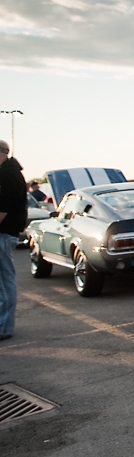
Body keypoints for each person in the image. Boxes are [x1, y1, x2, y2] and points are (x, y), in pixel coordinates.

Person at [0, 139, 28, 341]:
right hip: (5, 234)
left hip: (4, 234)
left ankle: (4, 327)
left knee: (4, 282)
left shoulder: (8, 174)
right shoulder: (9, 172)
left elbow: (3, 207)